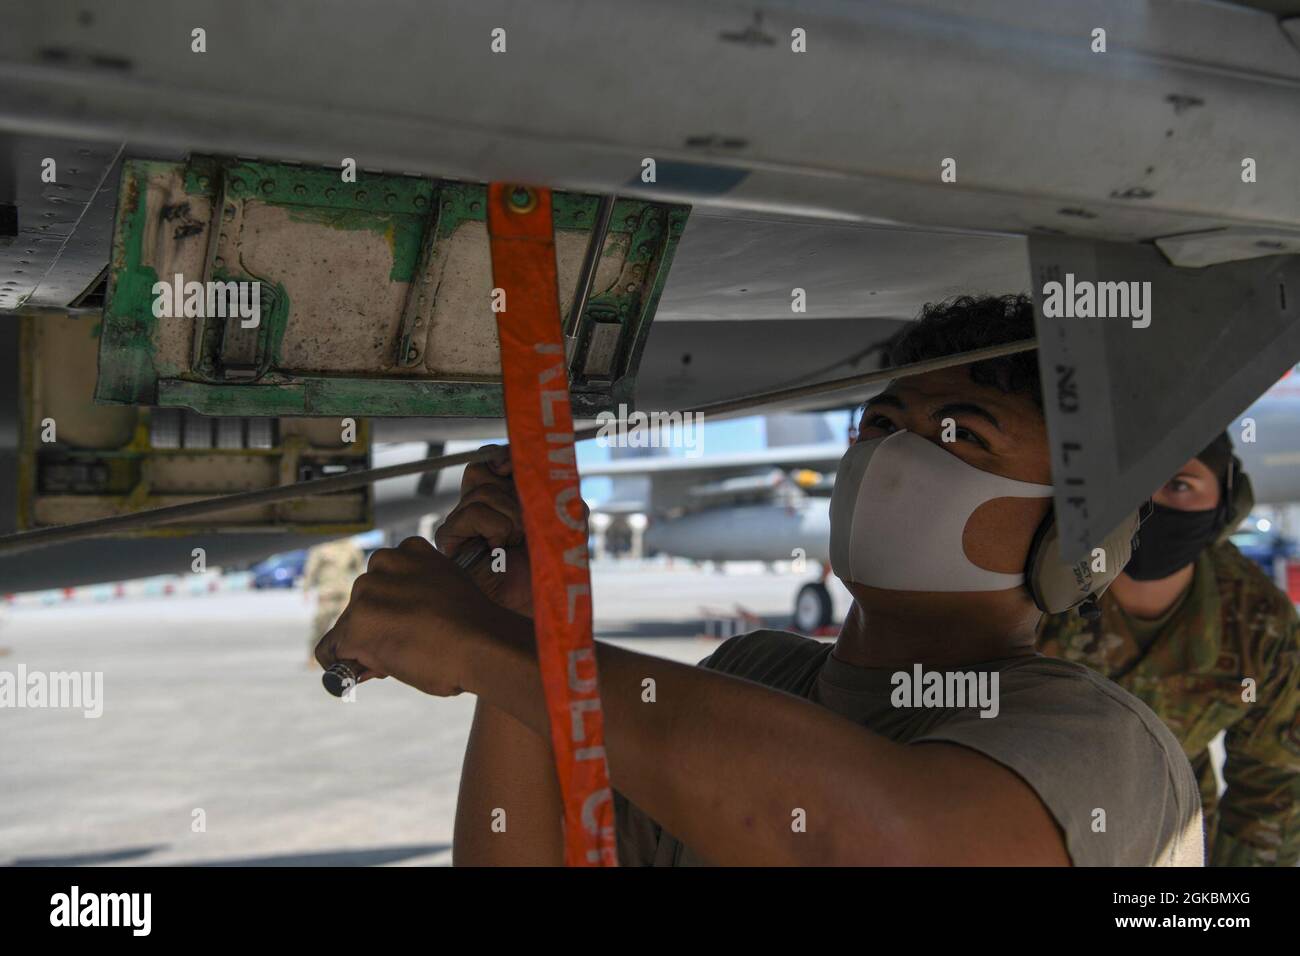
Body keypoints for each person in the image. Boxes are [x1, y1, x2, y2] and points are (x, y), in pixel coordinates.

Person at [315, 294, 1203, 866]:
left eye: (961, 434)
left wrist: (490, 649)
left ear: (1078, 538)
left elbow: (880, 847)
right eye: (879, 422)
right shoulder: (751, 678)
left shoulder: (1104, 746)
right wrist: (525, 619)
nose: (891, 455)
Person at [1039, 436, 1300, 866]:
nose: (1148, 506)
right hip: (1036, 822)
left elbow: (1270, 792)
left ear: (1229, 502)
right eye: (1131, 485)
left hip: (1177, 832)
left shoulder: (1260, 625)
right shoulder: (1037, 591)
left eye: (1178, 485)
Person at [302, 538, 365, 664]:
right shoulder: (321, 547)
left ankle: (344, 656)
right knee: (320, 626)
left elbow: (359, 568)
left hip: (344, 593)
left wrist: (363, 588)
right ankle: (313, 655)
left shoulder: (350, 547)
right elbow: (311, 570)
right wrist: (306, 588)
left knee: (346, 627)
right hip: (327, 593)